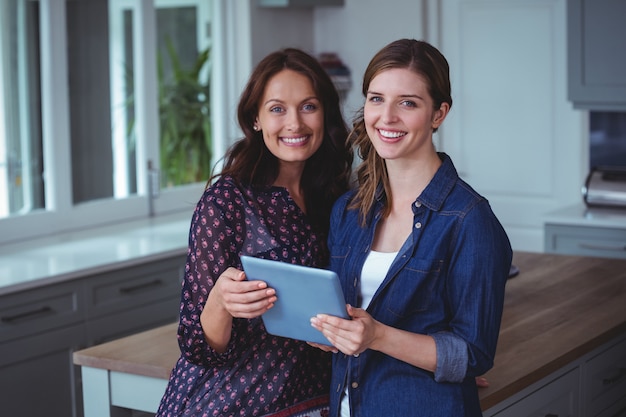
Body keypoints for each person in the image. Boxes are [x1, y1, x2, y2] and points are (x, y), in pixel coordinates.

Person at [310, 39, 513, 416]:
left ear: (439, 114)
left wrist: (378, 336)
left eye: (408, 102)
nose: (386, 117)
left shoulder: (470, 220)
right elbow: (343, 314)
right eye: (376, 98)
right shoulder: (349, 211)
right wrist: (329, 333)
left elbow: (473, 354)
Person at [156, 47, 353, 417]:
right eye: (277, 109)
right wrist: (220, 302)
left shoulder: (340, 196)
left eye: (308, 106)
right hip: (229, 403)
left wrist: (431, 365)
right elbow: (197, 347)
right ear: (256, 119)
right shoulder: (227, 201)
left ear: (325, 114)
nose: (294, 123)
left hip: (316, 399)